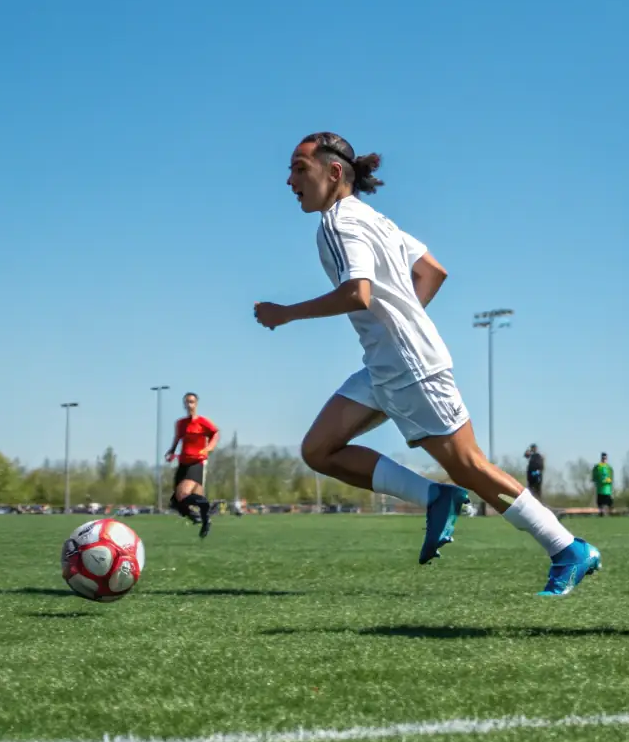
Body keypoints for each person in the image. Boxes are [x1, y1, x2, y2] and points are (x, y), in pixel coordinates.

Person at [254, 133, 600, 594]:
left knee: (470, 466)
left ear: (334, 172)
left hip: (409, 366)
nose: (289, 180)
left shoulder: (337, 223)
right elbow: (432, 271)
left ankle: (567, 548)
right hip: (386, 365)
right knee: (319, 448)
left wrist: (286, 313)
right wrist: (403, 321)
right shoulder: (375, 219)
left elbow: (358, 292)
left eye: (299, 168)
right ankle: (435, 497)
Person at [165, 392, 219, 538]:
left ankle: (201, 513)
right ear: (184, 404)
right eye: (187, 402)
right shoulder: (180, 423)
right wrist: (171, 451)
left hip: (197, 462)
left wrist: (209, 448)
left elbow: (215, 433)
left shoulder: (203, 422)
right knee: (175, 502)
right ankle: (203, 519)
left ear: (196, 404)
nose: (189, 405)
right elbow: (177, 438)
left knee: (183, 494)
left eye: (192, 402)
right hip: (183, 462)